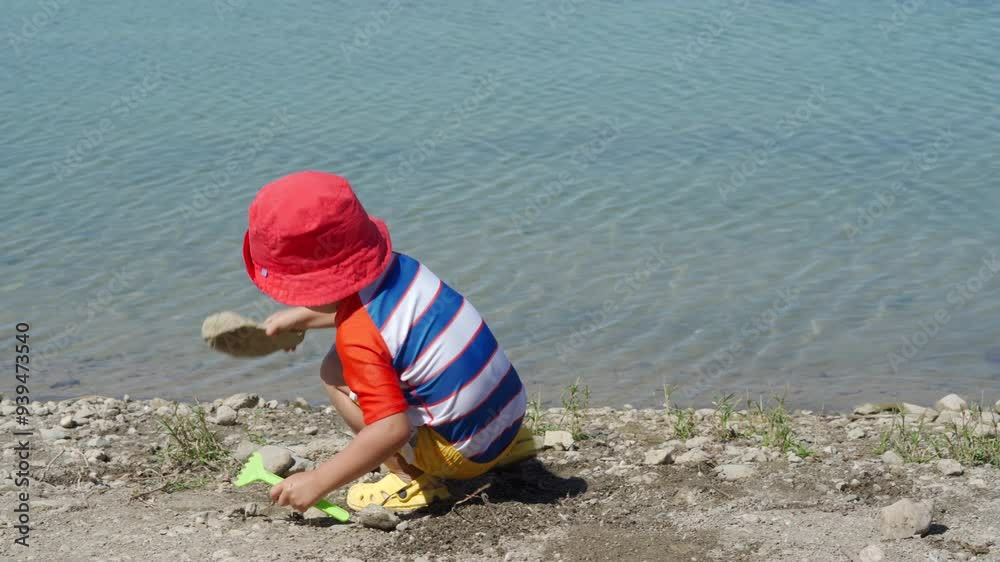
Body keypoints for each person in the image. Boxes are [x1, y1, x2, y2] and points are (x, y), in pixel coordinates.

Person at [242, 170, 536, 512]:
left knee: (333, 373)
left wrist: (318, 481)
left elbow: (391, 430)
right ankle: (506, 446)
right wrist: (304, 317)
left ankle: (410, 480)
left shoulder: (358, 337)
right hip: (510, 413)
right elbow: (384, 319)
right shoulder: (401, 267)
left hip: (461, 455)